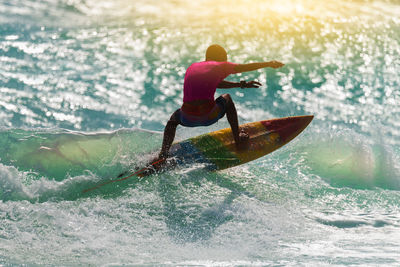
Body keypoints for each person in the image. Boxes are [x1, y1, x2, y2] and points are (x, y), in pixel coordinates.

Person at [157, 44, 284, 160]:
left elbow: (215, 82)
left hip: (187, 118)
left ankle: (163, 154)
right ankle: (238, 139)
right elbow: (245, 67)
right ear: (221, 58)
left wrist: (241, 84)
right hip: (208, 116)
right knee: (227, 98)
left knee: (173, 121)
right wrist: (269, 63)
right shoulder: (221, 65)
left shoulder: (193, 67)